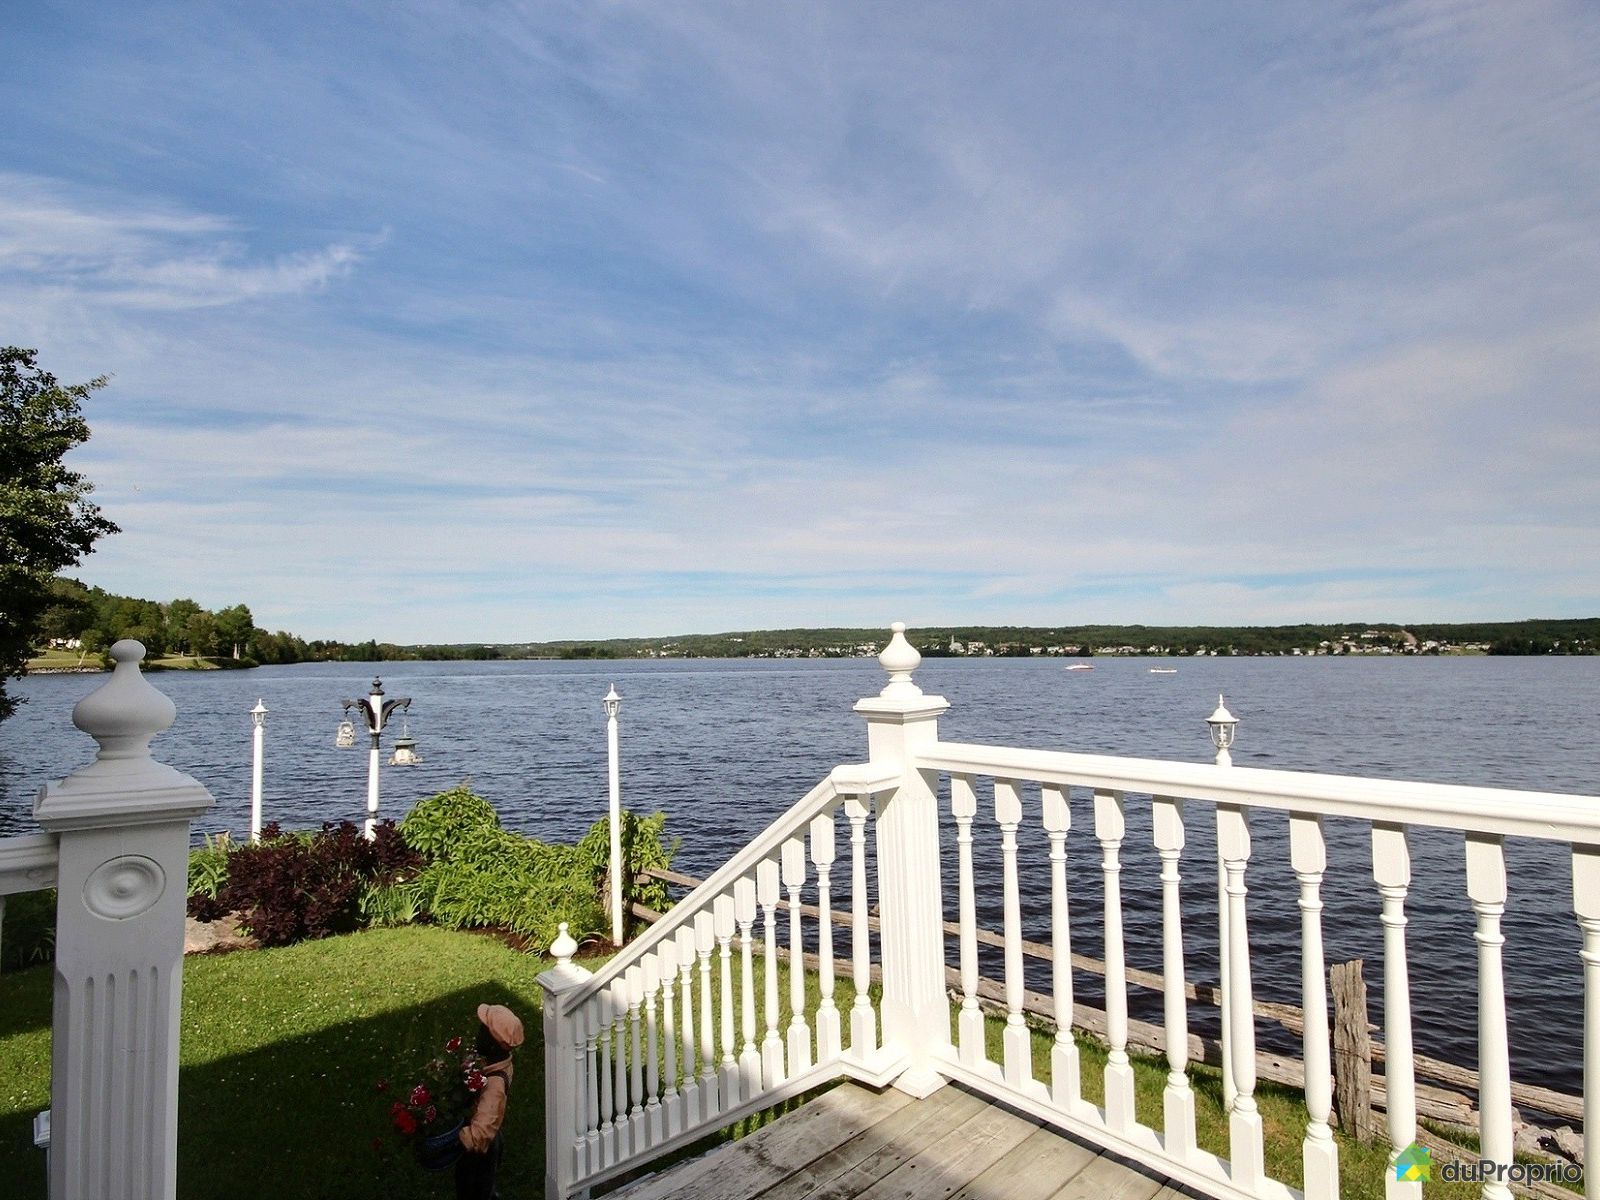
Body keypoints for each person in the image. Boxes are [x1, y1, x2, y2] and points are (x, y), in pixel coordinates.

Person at [456, 1003, 524, 1200]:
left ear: (492, 1043)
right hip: (490, 1139)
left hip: (481, 1150)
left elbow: (481, 1133)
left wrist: (455, 1138)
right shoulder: (492, 1060)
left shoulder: (494, 1086)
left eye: (482, 1031)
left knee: (475, 1190)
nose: (478, 1034)